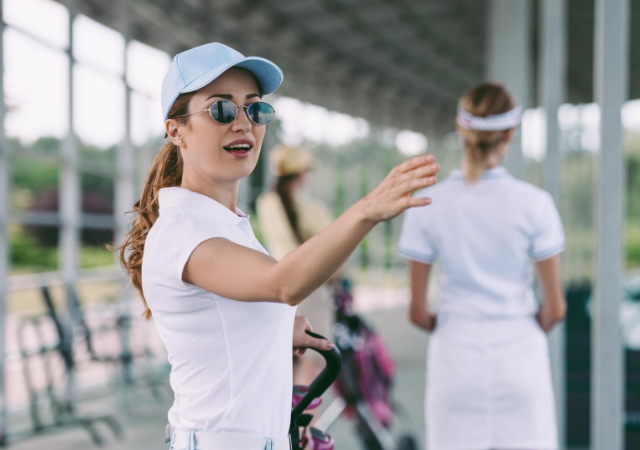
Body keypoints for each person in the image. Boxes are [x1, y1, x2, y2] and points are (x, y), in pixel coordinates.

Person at [117, 42, 440, 450]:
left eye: (255, 108)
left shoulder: (227, 223)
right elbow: (281, 283)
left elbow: (225, 325)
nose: (243, 123)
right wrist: (366, 211)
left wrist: (274, 329)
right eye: (220, 109)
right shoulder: (185, 228)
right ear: (176, 129)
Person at [398, 82, 566, 450]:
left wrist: (456, 328)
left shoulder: (428, 203)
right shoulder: (535, 204)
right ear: (511, 132)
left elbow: (416, 312)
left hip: (455, 354)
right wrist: (519, 329)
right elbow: (555, 308)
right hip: (520, 352)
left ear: (462, 131)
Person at [256, 145, 336, 386]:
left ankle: (288, 422)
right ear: (301, 173)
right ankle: (306, 424)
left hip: (280, 288)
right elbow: (332, 246)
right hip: (311, 289)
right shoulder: (311, 209)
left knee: (289, 363)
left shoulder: (265, 203)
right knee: (312, 362)